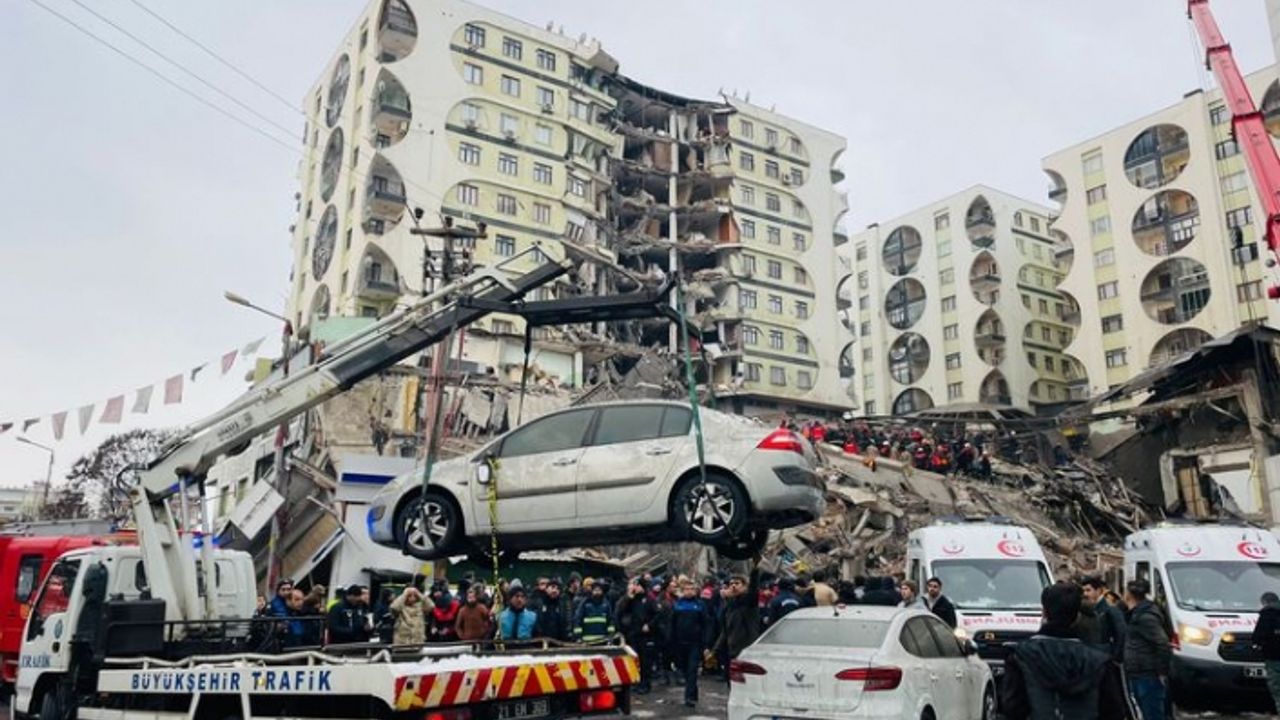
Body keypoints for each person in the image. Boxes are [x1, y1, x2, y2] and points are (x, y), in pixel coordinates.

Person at [1001, 582, 1126, 720]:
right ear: (1077, 616)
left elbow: (1012, 708)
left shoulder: (1021, 656)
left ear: (1044, 613)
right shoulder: (1099, 662)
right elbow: (1114, 712)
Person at [1123, 580, 1171, 720]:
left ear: (1129, 594)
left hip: (1147, 673)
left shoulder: (1146, 617)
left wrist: (1162, 671)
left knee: (1152, 712)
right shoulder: (1137, 613)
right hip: (1139, 671)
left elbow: (1162, 643)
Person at [668, 579, 712, 708]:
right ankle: (693, 691)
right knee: (685, 670)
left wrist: (706, 644)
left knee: (692, 670)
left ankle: (689, 697)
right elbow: (672, 624)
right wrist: (670, 641)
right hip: (680, 644)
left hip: (695, 644)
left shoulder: (700, 605)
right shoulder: (677, 605)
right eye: (686, 589)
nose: (689, 591)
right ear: (682, 591)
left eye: (692, 589)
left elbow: (706, 624)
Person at [616, 578, 661, 694]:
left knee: (646, 661)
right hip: (633, 634)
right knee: (636, 660)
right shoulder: (631, 599)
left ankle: (645, 684)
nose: (635, 587)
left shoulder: (650, 599)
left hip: (646, 635)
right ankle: (637, 682)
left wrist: (649, 625)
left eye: (637, 585)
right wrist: (628, 597)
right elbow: (620, 611)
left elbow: (658, 614)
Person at [715, 570, 760, 671]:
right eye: (731, 584)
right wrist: (715, 650)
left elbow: (754, 589)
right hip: (732, 650)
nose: (734, 586)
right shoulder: (729, 605)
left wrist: (754, 571)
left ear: (745, 586)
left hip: (747, 649)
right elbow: (725, 630)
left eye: (737, 583)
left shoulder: (749, 602)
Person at [1081, 576, 1126, 663]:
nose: (1085, 594)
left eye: (1088, 590)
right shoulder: (1087, 609)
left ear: (1098, 591)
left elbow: (1121, 635)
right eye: (1083, 591)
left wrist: (1114, 658)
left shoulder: (1110, 610)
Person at [1254, 592, 1280, 711]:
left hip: (1273, 656)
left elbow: (1259, 636)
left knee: (1277, 687)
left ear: (1265, 602)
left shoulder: (1267, 614)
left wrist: (1258, 645)